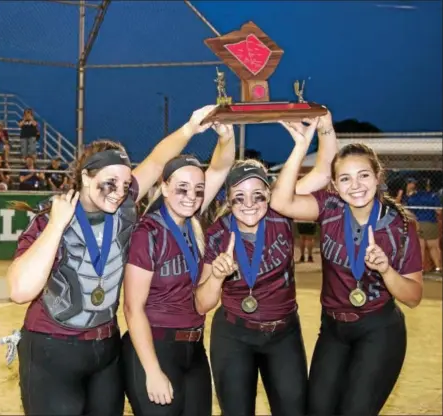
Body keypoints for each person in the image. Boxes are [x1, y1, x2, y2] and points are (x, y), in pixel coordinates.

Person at [5, 105, 217, 416]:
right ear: (85, 177)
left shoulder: (124, 204)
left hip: (105, 349)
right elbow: (20, 290)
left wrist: (190, 127)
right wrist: (55, 226)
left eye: (124, 182)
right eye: (109, 182)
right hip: (53, 347)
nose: (119, 192)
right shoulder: (50, 217)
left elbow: (157, 161)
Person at [194, 113, 338, 416]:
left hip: (283, 333)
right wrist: (217, 277)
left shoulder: (280, 212)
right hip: (234, 334)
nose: (249, 205)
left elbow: (325, 174)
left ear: (268, 195)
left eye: (257, 196)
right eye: (239, 198)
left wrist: (320, 132)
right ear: (229, 199)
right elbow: (202, 304)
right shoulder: (219, 233)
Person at [271, 133, 423, 416]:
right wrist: (302, 146)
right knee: (317, 409)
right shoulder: (329, 208)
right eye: (345, 179)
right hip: (333, 329)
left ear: (378, 176)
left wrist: (387, 270)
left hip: (378, 329)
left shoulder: (400, 226)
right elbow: (280, 202)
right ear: (335, 185)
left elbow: (413, 297)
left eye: (363, 175)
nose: (355, 186)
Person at [122, 122, 235, 416]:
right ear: (165, 188)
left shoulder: (192, 225)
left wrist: (226, 136)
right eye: (182, 188)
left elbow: (221, 168)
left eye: (198, 191)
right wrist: (153, 371)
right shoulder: (148, 232)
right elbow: (133, 308)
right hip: (155, 347)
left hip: (194, 349)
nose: (191, 196)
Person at [398, 178, 441, 273]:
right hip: (430, 222)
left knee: (419, 247)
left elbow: (406, 209)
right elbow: (438, 211)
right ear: (427, 185)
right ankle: (438, 268)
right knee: (434, 247)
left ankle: (420, 269)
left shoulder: (411, 196)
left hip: (417, 223)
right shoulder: (433, 195)